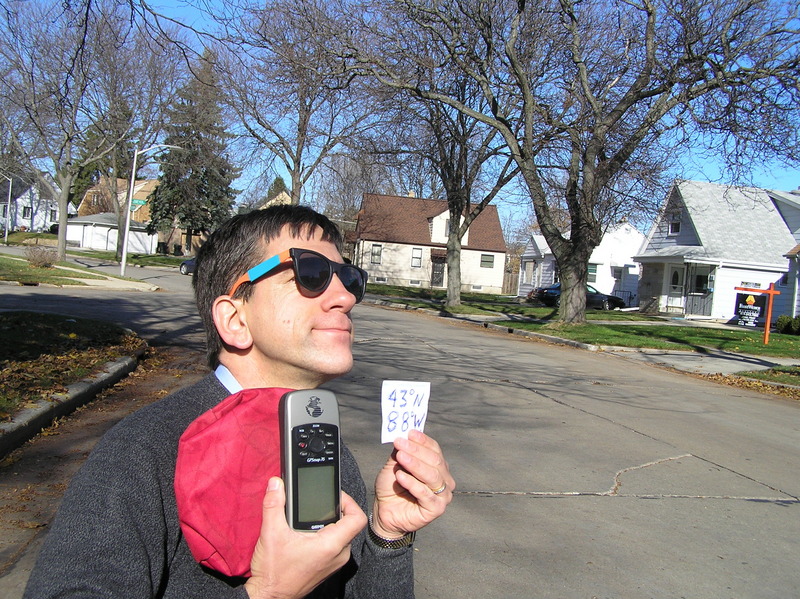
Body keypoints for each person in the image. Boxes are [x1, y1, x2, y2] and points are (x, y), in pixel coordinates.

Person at [24, 205, 455, 599]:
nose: (345, 297)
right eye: (310, 273)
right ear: (234, 318)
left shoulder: (323, 445)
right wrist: (265, 593)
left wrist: (388, 536)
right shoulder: (145, 452)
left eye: (348, 278)